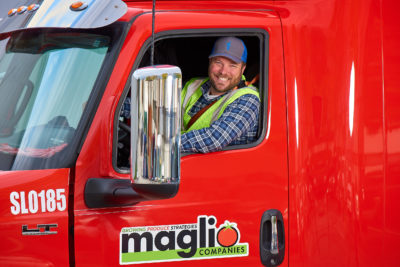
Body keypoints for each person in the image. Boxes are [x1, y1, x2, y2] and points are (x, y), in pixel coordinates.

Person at [180, 36, 260, 153]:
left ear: (243, 69)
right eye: (218, 62)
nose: (223, 71)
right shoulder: (192, 84)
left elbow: (214, 139)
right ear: (210, 62)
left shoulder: (248, 99)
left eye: (232, 65)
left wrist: (162, 144)